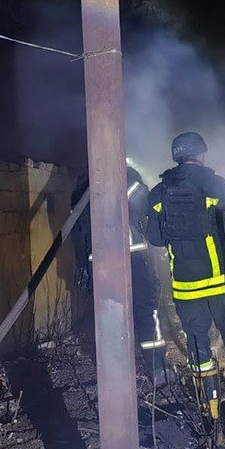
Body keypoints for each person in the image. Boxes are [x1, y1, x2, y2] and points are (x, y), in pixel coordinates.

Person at [145, 132, 225, 417]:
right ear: (201, 154)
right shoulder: (215, 184)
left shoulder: (158, 192)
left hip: (186, 286)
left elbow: (156, 239)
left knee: (197, 343)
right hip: (220, 282)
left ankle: (209, 406)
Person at [72, 163, 167, 384]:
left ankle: (114, 373)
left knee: (109, 314)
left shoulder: (80, 191)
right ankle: (156, 367)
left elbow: (78, 235)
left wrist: (82, 267)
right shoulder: (127, 178)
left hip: (99, 262)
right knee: (145, 309)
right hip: (132, 256)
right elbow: (144, 205)